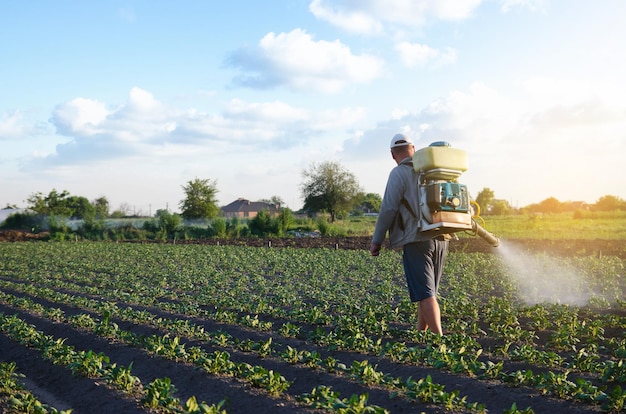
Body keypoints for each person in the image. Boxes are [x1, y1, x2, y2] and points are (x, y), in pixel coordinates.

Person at [369, 133, 449, 335]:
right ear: (413, 149)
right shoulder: (434, 171)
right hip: (442, 238)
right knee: (426, 292)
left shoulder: (399, 173)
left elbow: (388, 209)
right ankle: (420, 334)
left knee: (425, 293)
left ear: (392, 154)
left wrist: (377, 240)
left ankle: (439, 340)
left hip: (417, 239)